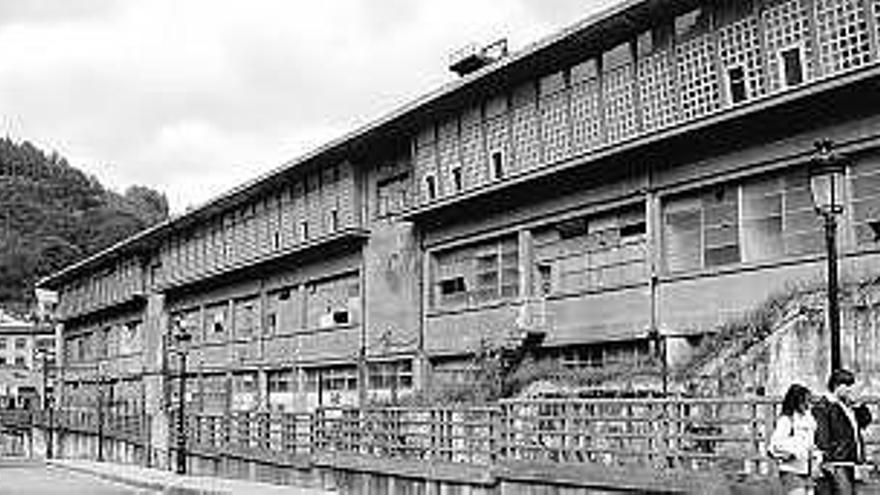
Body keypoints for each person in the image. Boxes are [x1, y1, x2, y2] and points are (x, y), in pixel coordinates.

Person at [813, 369, 873, 495]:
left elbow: (866, 421)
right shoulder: (823, 406)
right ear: (837, 386)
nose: (850, 389)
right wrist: (829, 460)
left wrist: (858, 404)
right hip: (837, 463)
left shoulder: (848, 405)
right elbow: (822, 437)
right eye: (847, 385)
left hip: (853, 462)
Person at [770, 384, 818, 495]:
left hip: (808, 470)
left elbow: (811, 443)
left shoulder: (809, 419)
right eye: (805, 401)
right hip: (791, 470)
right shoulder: (786, 420)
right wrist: (791, 451)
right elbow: (775, 445)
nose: (808, 404)